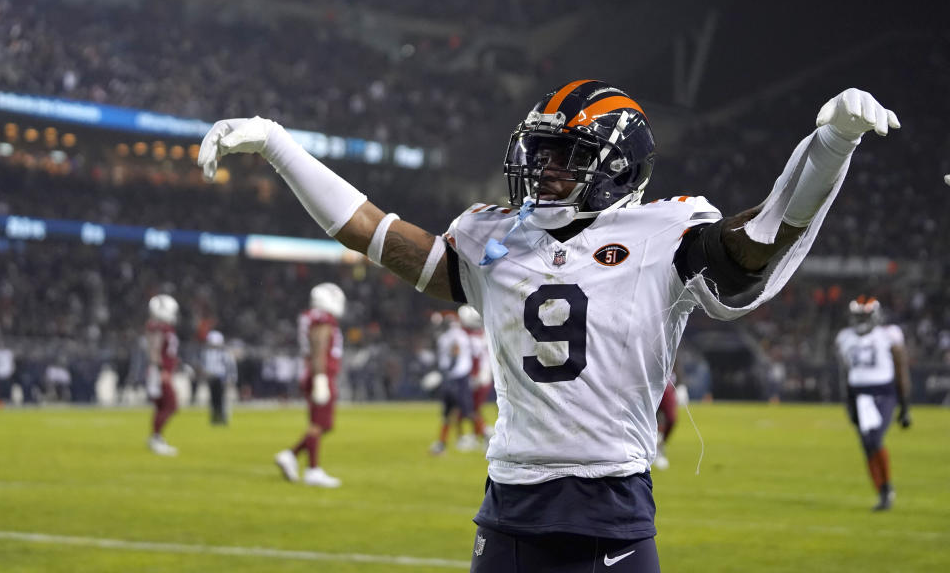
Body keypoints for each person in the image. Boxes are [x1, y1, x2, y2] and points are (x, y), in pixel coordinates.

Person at [200, 83, 899, 571]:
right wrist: (278, 146)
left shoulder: (666, 231)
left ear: (616, 164)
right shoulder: (491, 238)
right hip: (508, 504)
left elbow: (762, 239)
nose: (544, 169)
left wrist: (831, 144)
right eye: (539, 151)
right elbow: (376, 235)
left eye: (565, 156)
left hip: (609, 502)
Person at [834, 296, 911, 511]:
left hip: (883, 393)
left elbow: (901, 370)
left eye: (864, 316)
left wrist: (905, 406)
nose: (860, 320)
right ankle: (883, 491)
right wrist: (848, 402)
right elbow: (846, 374)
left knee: (874, 439)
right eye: (858, 316)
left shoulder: (889, 335)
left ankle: (886, 490)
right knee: (867, 445)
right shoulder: (845, 338)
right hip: (860, 397)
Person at [274, 282, 346, 488]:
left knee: (324, 424)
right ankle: (312, 470)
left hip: (313, 372)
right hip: (318, 373)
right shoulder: (323, 319)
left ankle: (291, 455)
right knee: (317, 425)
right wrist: (321, 377)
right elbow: (319, 344)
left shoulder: (310, 316)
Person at [427, 312, 474, 455]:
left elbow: (455, 351)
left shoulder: (452, 336)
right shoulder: (461, 334)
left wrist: (446, 372)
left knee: (461, 411)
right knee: (457, 410)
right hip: (458, 376)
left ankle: (480, 436)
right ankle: (448, 442)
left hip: (456, 376)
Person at [145, 294, 181, 456]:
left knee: (162, 406)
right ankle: (156, 438)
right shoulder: (158, 328)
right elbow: (154, 350)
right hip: (160, 372)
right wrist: (161, 370)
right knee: (171, 405)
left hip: (161, 371)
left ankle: (156, 438)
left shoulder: (162, 327)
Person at [459, 305, 494, 449]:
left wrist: (473, 376)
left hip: (478, 377)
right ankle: (476, 436)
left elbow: (475, 359)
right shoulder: (484, 334)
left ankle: (486, 434)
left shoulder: (472, 338)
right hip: (485, 375)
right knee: (474, 409)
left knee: (471, 409)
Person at [201, 330, 237, 425]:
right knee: (213, 399)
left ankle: (223, 418)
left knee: (222, 399)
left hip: (222, 379)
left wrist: (231, 378)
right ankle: (215, 418)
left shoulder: (224, 354)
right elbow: (204, 366)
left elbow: (230, 366)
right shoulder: (206, 353)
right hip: (211, 378)